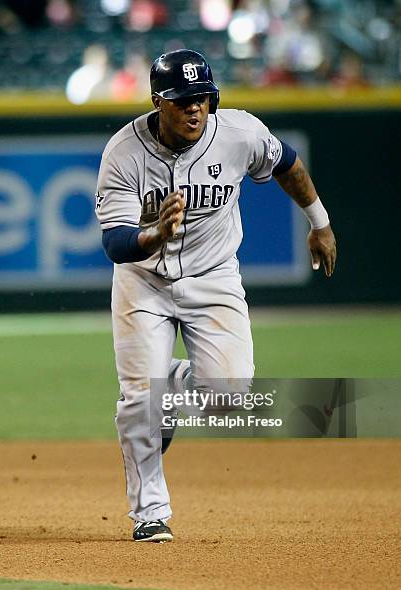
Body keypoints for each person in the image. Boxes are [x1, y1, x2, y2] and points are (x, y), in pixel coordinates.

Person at [95, 49, 336, 543]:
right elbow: (116, 243)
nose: (195, 109)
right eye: (183, 100)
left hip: (214, 276)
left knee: (230, 392)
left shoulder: (239, 133)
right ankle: (150, 514)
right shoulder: (123, 152)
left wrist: (320, 223)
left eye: (203, 98)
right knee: (141, 399)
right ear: (158, 102)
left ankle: (174, 385)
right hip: (144, 280)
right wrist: (153, 236)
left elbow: (288, 163)